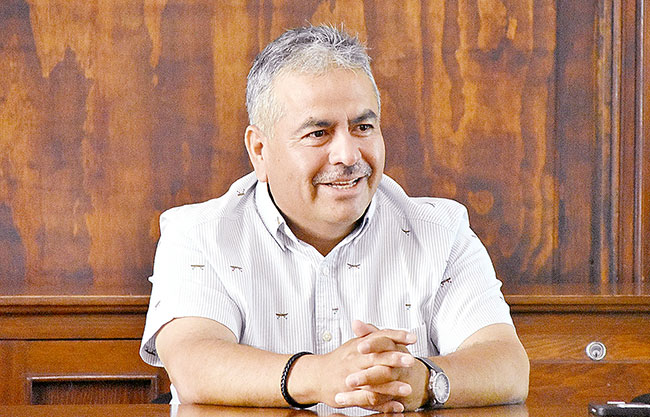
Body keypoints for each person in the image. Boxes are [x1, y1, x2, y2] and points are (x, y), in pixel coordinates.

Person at [140, 25, 529, 413]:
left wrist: (423, 381)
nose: (348, 155)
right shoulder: (197, 235)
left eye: (363, 127)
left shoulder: (441, 232)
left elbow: (508, 366)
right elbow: (193, 363)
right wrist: (321, 376)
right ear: (260, 150)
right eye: (318, 133)